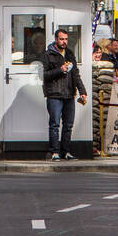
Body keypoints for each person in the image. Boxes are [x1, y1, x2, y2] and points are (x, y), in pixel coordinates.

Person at [41, 28, 88, 160]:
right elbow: (43, 75)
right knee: (55, 124)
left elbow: (76, 74)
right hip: (54, 94)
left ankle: (66, 152)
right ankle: (54, 152)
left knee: (68, 125)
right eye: (61, 39)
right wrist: (59, 70)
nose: (64, 42)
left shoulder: (69, 54)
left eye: (66, 39)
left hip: (69, 94)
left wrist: (82, 92)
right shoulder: (48, 55)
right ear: (56, 39)